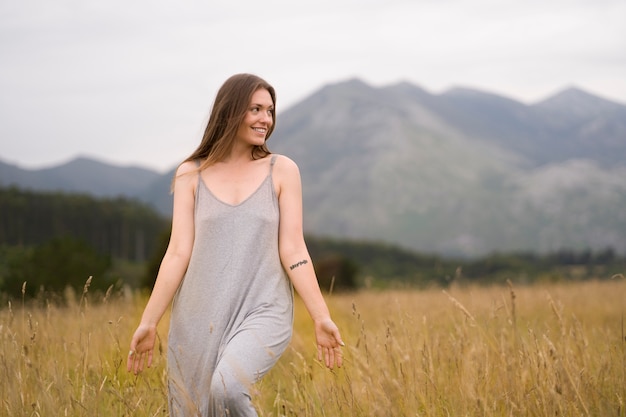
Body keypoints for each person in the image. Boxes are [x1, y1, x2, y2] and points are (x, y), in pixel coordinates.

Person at [127, 73, 344, 416]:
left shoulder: (282, 170)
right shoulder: (191, 174)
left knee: (226, 389)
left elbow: (294, 249)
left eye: (270, 110)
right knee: (194, 408)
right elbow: (178, 252)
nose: (265, 119)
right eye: (255, 109)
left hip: (264, 309)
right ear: (230, 112)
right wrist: (149, 321)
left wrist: (321, 316)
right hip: (198, 317)